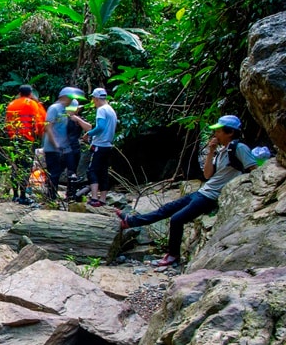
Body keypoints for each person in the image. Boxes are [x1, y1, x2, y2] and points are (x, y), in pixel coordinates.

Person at [118, 115, 257, 269]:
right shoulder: (223, 151)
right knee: (167, 209)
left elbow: (254, 169)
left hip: (210, 197)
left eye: (218, 131)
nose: (215, 134)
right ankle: (130, 222)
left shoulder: (239, 148)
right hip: (203, 191)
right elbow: (207, 175)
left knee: (177, 219)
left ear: (229, 132)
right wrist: (211, 151)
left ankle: (173, 255)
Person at [69, 87, 117, 207]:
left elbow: (100, 127)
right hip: (108, 145)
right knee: (103, 172)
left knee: (92, 171)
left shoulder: (101, 110)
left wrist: (88, 134)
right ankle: (103, 199)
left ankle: (95, 198)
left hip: (99, 145)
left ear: (95, 98)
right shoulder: (111, 110)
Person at [42, 87, 86, 200]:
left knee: (71, 171)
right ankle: (51, 197)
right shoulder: (54, 108)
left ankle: (70, 196)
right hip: (52, 147)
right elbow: (48, 127)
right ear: (64, 97)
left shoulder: (67, 109)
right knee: (54, 173)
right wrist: (55, 144)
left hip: (66, 147)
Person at [5, 84, 46, 205]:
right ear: (30, 93)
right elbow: (39, 122)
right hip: (26, 139)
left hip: (13, 139)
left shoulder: (11, 104)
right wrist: (39, 135)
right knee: (25, 167)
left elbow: (6, 122)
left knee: (15, 166)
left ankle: (15, 195)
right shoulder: (32, 103)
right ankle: (23, 196)